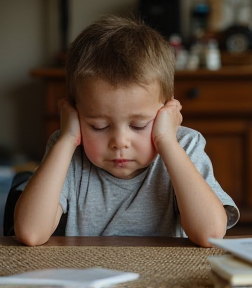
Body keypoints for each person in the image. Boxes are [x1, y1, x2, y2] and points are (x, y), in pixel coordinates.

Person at [14, 14, 239, 247]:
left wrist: (167, 142)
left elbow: (210, 234)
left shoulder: (184, 145)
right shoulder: (69, 149)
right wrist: (67, 139)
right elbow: (30, 233)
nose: (120, 142)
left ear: (166, 111)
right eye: (98, 126)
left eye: (138, 125)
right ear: (75, 113)